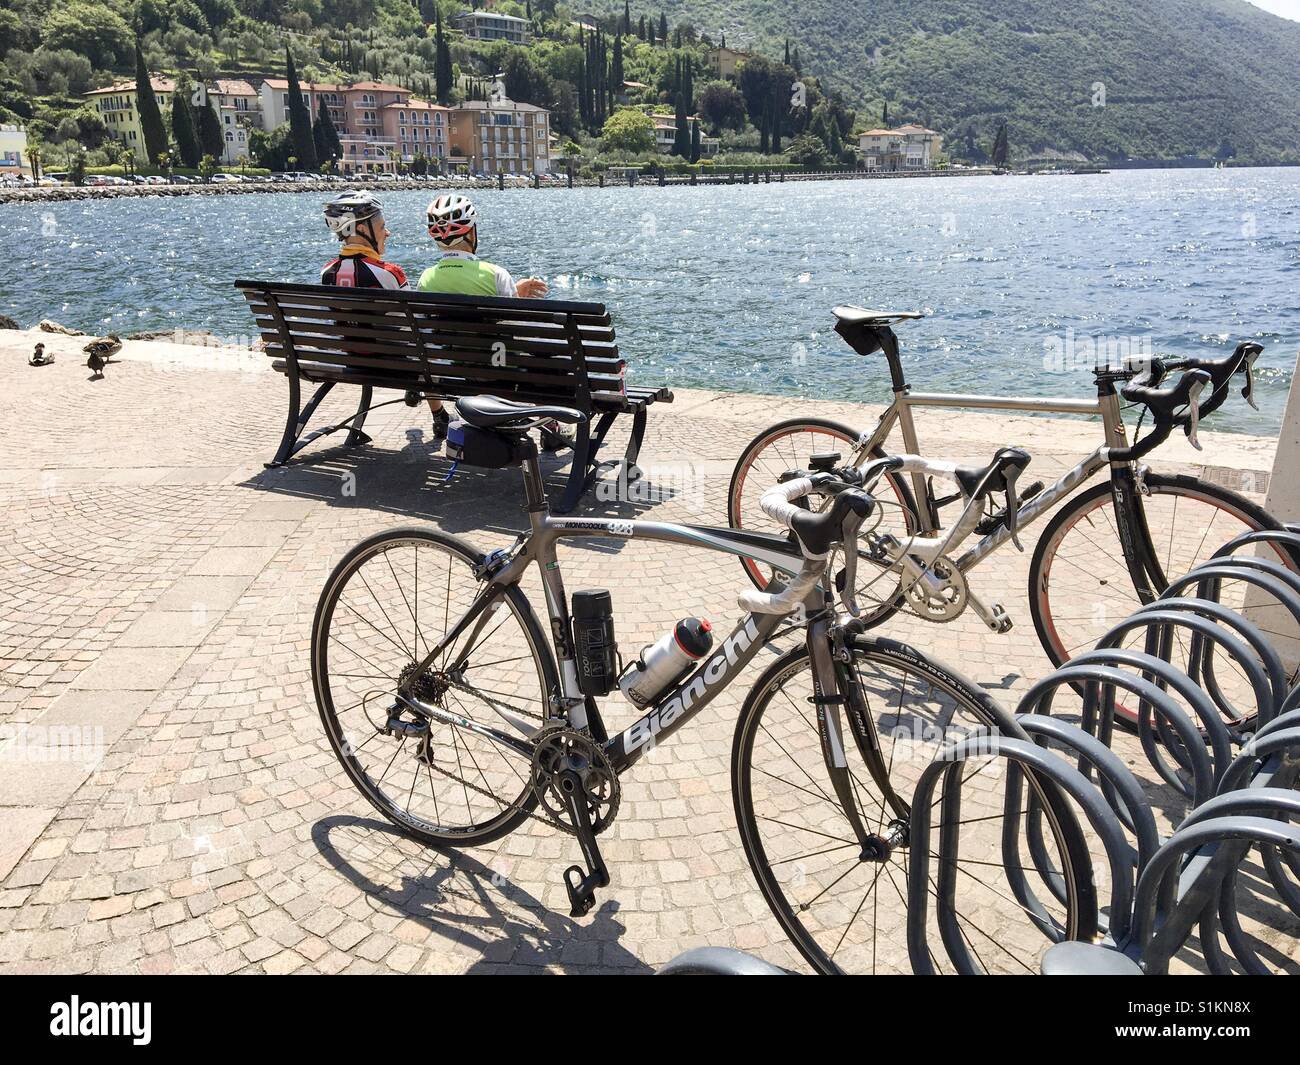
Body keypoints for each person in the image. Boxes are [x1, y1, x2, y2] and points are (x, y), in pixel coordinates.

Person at [419, 195, 572, 449]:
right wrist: (517, 293)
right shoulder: (495, 275)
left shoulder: (426, 280)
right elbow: (518, 330)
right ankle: (550, 425)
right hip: (501, 372)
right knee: (545, 358)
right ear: (471, 233)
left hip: (460, 372)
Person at [321, 191, 452, 448]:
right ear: (361, 228)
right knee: (427, 344)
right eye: (382, 227)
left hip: (350, 362)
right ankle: (439, 415)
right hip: (396, 365)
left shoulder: (327, 274)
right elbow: (415, 325)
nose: (387, 232)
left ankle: (428, 402)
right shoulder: (388, 274)